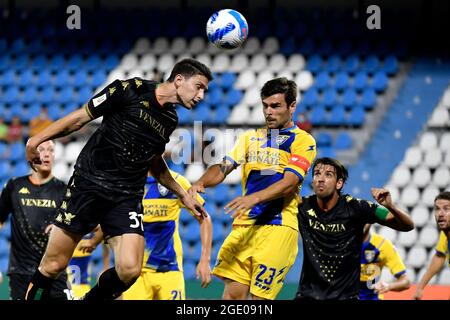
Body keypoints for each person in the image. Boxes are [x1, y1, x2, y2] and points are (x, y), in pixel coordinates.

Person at [24, 58, 213, 300]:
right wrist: (36, 139)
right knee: (53, 265)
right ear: (178, 80)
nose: (201, 95)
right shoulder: (129, 89)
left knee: (130, 269)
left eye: (205, 90)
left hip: (126, 195)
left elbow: (154, 160)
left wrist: (183, 194)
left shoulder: (170, 120)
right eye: (199, 86)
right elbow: (81, 117)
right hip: (89, 184)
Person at [189, 77, 317, 300]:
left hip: (278, 227)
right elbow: (223, 168)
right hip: (245, 226)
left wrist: (254, 198)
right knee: (232, 297)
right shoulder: (250, 139)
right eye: (265, 106)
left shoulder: (303, 141)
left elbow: (289, 182)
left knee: (260, 301)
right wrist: (200, 182)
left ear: (292, 106)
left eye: (276, 106)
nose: (269, 112)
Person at [295, 157, 414, 300]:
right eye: (317, 173)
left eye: (328, 174)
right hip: (308, 295)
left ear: (339, 183)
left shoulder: (357, 207)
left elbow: (408, 225)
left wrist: (391, 206)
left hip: (345, 297)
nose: (320, 178)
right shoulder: (301, 206)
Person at [121, 169, 212, 300]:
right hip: (136, 273)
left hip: (170, 269)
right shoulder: (127, 183)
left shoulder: (176, 182)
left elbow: (204, 217)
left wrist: (205, 259)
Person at [0, 140, 71, 300]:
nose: (47, 154)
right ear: (31, 155)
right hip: (21, 273)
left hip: (54, 272)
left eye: (51, 150)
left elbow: (77, 226)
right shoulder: (14, 186)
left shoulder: (63, 190)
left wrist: (61, 229)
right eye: (41, 150)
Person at [412, 191, 450, 300]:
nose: (440, 214)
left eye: (446, 209)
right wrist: (420, 287)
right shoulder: (445, 234)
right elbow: (439, 256)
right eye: (437, 209)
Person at [359, 224, 410, 300]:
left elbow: (406, 282)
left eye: (364, 217)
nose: (361, 221)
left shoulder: (382, 244)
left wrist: (388, 286)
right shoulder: (338, 245)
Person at [67, 225, 109, 299]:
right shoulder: (68, 224)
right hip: (68, 283)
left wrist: (105, 267)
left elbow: (105, 243)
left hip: (84, 284)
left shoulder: (94, 226)